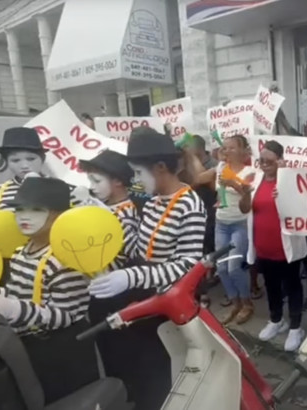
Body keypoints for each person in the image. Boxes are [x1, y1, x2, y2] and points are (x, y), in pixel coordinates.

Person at [88, 126, 206, 410]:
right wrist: (110, 220)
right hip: (144, 301)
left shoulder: (190, 204)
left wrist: (132, 275)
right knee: (141, 373)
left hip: (168, 308)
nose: (136, 181)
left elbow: (188, 265)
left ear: (161, 167)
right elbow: (139, 250)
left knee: (161, 378)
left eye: (139, 173)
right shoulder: (153, 202)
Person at [0, 177, 97, 403]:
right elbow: (17, 291)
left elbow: (67, 315)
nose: (24, 216)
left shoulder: (64, 258)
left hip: (63, 350)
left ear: (59, 215)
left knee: (70, 401)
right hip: (30, 346)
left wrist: (15, 309)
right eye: (18, 209)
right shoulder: (20, 251)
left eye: (37, 209)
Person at [240, 140, 307, 351]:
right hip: (263, 246)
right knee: (271, 286)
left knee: (292, 286)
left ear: (280, 160)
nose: (264, 164)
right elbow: (245, 209)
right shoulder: (256, 179)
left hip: (286, 247)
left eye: (269, 160)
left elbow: (303, 209)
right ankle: (276, 320)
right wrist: (244, 193)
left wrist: (287, 197)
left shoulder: (291, 179)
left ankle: (296, 327)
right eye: (261, 160)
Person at [0, 127, 83, 226]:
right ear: (7, 162)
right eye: (15, 161)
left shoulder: (65, 189)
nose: (24, 165)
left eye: (31, 159)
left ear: (42, 159)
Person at [215, 135, 257, 324]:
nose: (227, 151)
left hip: (240, 223)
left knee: (234, 269)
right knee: (221, 267)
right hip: (221, 223)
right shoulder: (220, 168)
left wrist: (234, 184)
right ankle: (235, 302)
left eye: (232, 148)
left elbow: (250, 200)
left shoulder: (250, 171)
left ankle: (247, 303)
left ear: (242, 151)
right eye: (224, 148)